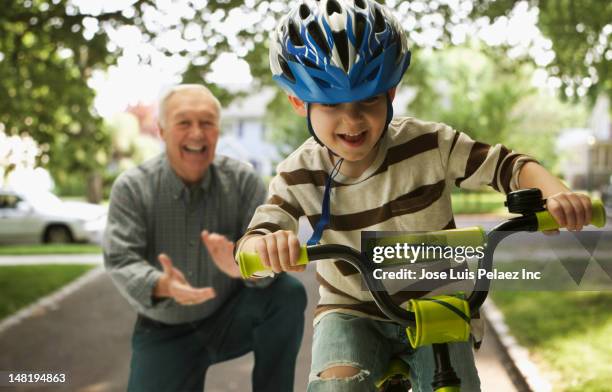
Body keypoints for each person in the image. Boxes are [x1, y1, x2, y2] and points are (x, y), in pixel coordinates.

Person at [235, 1, 594, 391]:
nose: (352, 120)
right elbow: (260, 233)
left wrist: (559, 194)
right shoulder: (298, 172)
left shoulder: (430, 143)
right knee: (336, 385)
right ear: (298, 102)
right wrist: (266, 246)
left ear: (391, 92)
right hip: (352, 310)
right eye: (332, 104)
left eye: (368, 100)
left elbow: (507, 165)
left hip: (438, 301)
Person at [103, 84, 307, 392]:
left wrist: (243, 267)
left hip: (230, 315)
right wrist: (161, 284)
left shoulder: (242, 180)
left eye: (207, 123)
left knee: (287, 293)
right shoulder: (132, 187)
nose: (197, 133)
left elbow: (264, 252)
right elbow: (121, 259)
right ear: (161, 130)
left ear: (218, 131)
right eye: (184, 122)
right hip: (164, 328)